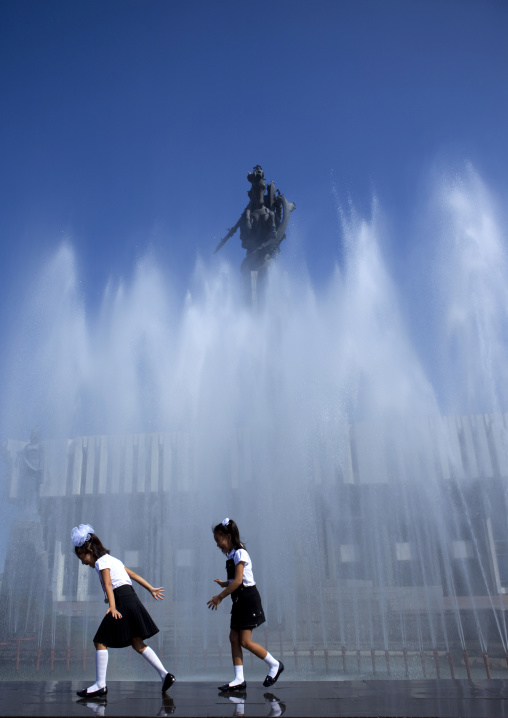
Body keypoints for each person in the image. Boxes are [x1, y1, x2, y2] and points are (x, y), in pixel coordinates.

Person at [71, 523, 175, 697]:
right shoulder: (113, 559)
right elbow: (131, 575)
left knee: (100, 641)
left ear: (88, 551)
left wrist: (112, 606)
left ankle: (100, 685)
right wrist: (150, 588)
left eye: (82, 558)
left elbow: (109, 584)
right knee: (137, 642)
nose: (83, 563)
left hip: (122, 602)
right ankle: (165, 675)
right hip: (132, 598)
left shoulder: (101, 562)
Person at [207, 518, 284, 691]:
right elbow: (235, 581)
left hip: (248, 598)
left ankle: (274, 665)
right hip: (239, 599)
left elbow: (240, 581)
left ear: (228, 536)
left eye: (218, 541)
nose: (218, 545)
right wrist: (225, 583)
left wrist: (220, 596)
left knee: (245, 641)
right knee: (233, 638)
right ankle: (239, 679)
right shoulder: (232, 554)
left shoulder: (240, 553)